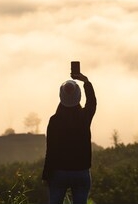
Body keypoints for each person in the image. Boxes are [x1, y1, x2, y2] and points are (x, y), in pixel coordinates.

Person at [42, 72, 97, 204]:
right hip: (81, 171)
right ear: (78, 96)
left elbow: (51, 150)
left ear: (61, 97)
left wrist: (46, 175)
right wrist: (86, 81)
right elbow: (92, 102)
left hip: (58, 172)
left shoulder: (54, 121)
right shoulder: (84, 117)